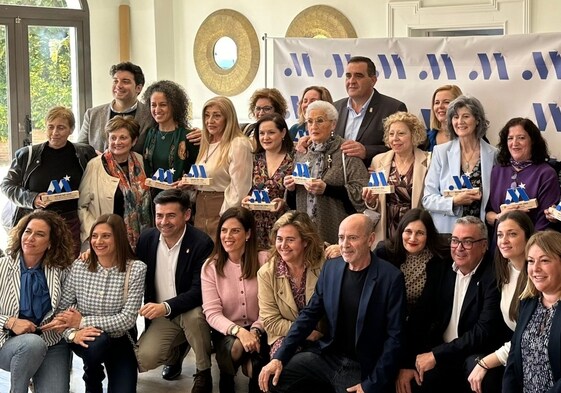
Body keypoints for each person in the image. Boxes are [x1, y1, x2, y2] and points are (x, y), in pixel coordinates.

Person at [258, 213, 406, 393]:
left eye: (353, 238)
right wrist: (279, 358)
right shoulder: (331, 268)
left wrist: (370, 385)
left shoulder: (391, 278)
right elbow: (308, 315)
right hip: (328, 356)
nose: (345, 245)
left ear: (371, 239)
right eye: (341, 238)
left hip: (363, 366)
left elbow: (394, 338)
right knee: (274, 377)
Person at [44, 214, 146, 393]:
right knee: (96, 344)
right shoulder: (80, 265)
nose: (98, 241)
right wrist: (71, 334)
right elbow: (62, 309)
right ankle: (92, 375)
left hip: (120, 338)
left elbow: (127, 319)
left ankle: (100, 366)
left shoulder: (136, 269)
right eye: (94, 236)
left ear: (119, 238)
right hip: (86, 339)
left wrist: (82, 321)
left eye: (106, 236)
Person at [406, 216, 508, 393]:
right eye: (455, 240)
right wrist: (405, 364)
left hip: (475, 352)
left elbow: (483, 331)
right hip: (442, 349)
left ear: (484, 246)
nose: (459, 248)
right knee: (418, 376)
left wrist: (437, 355)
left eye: (467, 242)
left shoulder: (494, 274)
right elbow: (420, 315)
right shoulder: (441, 267)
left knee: (479, 374)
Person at [135, 189, 214, 392]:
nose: (163, 222)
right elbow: (129, 265)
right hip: (162, 316)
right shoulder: (147, 238)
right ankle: (176, 352)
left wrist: (167, 306)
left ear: (186, 215)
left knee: (194, 318)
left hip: (190, 311)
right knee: (144, 359)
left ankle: (203, 372)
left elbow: (199, 291)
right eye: (159, 215)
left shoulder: (201, 243)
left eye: (171, 215)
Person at [1, 106, 96, 256]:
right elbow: (7, 185)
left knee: (68, 268)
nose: (55, 133)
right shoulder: (27, 155)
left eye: (61, 127)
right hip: (36, 222)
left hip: (70, 223)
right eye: (50, 127)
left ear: (71, 130)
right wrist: (32, 198)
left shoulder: (84, 153)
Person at [0, 210, 74, 393]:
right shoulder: (2, 267)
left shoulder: (63, 270)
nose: (30, 238)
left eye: (39, 234)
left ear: (50, 243)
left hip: (52, 341)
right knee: (32, 344)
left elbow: (72, 304)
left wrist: (64, 319)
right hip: (8, 342)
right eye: (28, 231)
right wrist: (10, 321)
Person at [201, 207, 269, 393]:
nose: (227, 236)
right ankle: (227, 379)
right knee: (236, 347)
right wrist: (239, 331)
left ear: (248, 234)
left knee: (256, 368)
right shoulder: (210, 267)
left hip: (261, 328)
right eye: (224, 230)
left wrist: (255, 330)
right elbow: (212, 313)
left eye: (235, 230)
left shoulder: (265, 260)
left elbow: (270, 306)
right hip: (227, 331)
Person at [284, 100, 369, 244]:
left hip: (338, 233)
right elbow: (292, 204)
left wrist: (327, 189)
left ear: (333, 124)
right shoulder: (302, 153)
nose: (313, 126)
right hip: (305, 234)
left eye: (320, 121)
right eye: (309, 122)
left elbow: (362, 193)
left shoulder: (346, 151)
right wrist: (291, 189)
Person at [467, 211, 533, 393]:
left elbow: (525, 336)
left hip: (530, 354)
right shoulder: (505, 269)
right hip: (514, 350)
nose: (504, 240)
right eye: (500, 235)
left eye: (512, 234)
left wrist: (486, 361)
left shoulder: (536, 274)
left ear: (528, 236)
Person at [422, 96, 497, 234]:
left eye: (466, 116)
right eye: (455, 117)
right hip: (447, 233)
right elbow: (427, 199)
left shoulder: (494, 155)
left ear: (478, 120)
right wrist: (454, 201)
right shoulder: (440, 152)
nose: (460, 122)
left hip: (481, 234)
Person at [257, 211, 325, 357]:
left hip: (323, 335)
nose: (283, 245)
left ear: (305, 241)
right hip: (285, 335)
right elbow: (270, 321)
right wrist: (305, 332)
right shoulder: (266, 273)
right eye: (279, 239)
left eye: (290, 240)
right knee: (280, 369)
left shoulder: (324, 263)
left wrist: (338, 249)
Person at [78, 115, 152, 250]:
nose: (117, 142)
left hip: (141, 240)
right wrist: (93, 234)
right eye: (113, 137)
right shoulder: (95, 166)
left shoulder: (140, 162)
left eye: (123, 137)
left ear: (134, 141)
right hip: (106, 240)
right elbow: (81, 206)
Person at [503, 231, 561, 392]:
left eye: (544, 260)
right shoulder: (528, 303)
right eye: (530, 261)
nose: (535, 268)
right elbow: (513, 359)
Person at [363, 112, 429, 242]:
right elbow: (375, 203)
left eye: (401, 133)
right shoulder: (378, 160)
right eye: (391, 134)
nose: (395, 138)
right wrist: (371, 200)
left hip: (415, 232)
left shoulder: (429, 160)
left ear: (414, 135)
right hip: (386, 231)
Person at [192, 96, 253, 238]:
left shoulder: (238, 143)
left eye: (216, 116)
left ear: (228, 118)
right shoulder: (207, 143)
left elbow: (240, 187)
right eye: (207, 116)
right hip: (201, 209)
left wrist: (227, 217)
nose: (210, 121)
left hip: (221, 209)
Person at [485, 117, 559, 231]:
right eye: (510, 138)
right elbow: (487, 213)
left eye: (521, 138)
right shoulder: (496, 171)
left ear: (532, 141)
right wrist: (499, 217)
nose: (514, 143)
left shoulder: (546, 174)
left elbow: (545, 222)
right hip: (500, 244)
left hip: (533, 244)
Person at [333, 55, 407, 164]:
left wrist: (366, 151)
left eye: (358, 76)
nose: (351, 81)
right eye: (348, 76)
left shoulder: (393, 108)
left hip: (373, 176)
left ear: (373, 80)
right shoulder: (335, 107)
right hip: (335, 177)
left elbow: (404, 147)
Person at [241, 113, 294, 249]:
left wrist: (285, 202)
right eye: (262, 133)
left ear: (283, 133)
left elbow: (300, 194)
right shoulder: (253, 159)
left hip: (284, 225)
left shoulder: (295, 157)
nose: (265, 137)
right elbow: (246, 188)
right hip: (255, 224)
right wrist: (246, 199)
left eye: (271, 132)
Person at [78, 61, 153, 153]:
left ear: (138, 88)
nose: (119, 86)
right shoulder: (92, 114)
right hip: (98, 166)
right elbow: (80, 149)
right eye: (115, 81)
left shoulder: (150, 115)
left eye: (125, 81)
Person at [142, 80, 199, 185]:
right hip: (152, 197)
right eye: (153, 105)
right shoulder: (149, 133)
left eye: (163, 105)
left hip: (179, 196)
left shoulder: (189, 136)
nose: (157, 109)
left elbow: (197, 171)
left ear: (175, 106)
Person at [425, 85, 463, 152]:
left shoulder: (470, 136)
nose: (440, 106)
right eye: (437, 103)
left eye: (446, 102)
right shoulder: (425, 139)